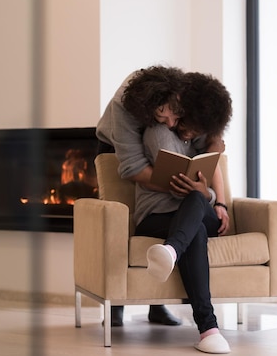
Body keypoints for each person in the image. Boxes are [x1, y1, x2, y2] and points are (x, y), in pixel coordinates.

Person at [133, 72, 233, 354]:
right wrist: (199, 194)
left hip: (196, 213)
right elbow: (172, 180)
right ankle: (208, 329)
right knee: (196, 229)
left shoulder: (201, 136)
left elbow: (212, 167)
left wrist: (215, 200)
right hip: (158, 217)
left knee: (197, 203)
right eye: (185, 124)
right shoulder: (159, 132)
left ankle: (172, 251)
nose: (187, 132)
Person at [96, 65, 186, 326]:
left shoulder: (179, 94)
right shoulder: (124, 106)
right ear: (149, 109)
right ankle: (115, 308)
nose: (171, 123)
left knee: (161, 213)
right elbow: (133, 168)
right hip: (114, 149)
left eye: (175, 115)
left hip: (153, 142)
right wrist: (174, 185)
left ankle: (157, 306)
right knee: (120, 224)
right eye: (162, 115)